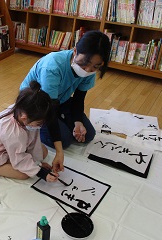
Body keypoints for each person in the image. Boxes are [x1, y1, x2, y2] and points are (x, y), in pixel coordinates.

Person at [20, 30, 111, 173]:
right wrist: (59, 151)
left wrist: (77, 121)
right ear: (75, 51)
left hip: (61, 99)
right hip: (37, 104)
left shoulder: (90, 71)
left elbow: (79, 98)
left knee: (88, 134)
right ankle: (42, 129)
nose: (88, 70)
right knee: (65, 141)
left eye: (96, 66)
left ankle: (64, 122)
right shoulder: (53, 66)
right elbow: (49, 110)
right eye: (85, 63)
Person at [0, 81, 59, 182]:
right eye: (39, 123)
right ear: (24, 118)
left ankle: (29, 164)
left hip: (8, 145)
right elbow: (19, 160)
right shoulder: (13, 133)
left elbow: (33, 142)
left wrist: (37, 164)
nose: (41, 126)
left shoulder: (24, 111)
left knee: (43, 151)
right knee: (24, 174)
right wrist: (40, 172)